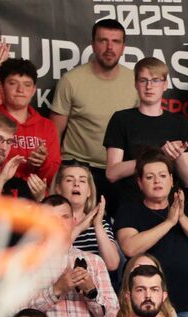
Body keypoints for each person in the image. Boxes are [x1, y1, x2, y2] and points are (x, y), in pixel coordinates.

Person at [115, 151, 188, 317]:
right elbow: (130, 247)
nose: (157, 181)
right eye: (149, 177)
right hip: (145, 306)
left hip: (186, 304)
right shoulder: (130, 210)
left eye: (162, 175)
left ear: (171, 179)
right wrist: (169, 222)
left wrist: (181, 218)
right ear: (140, 183)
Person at [29, 196, 118, 317]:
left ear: (74, 221)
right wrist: (56, 290)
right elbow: (16, 313)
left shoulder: (94, 261)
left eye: (64, 217)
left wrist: (91, 292)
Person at [49, 19, 136, 196]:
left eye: (116, 41)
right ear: (93, 45)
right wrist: (55, 175)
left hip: (120, 171)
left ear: (123, 47)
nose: (110, 47)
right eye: (103, 41)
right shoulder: (71, 80)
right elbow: (54, 133)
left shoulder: (135, 81)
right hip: (78, 169)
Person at [103, 58, 188, 200]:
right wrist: (159, 155)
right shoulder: (121, 119)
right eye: (143, 80)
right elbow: (112, 174)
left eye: (155, 80)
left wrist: (177, 157)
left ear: (165, 85)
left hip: (169, 202)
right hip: (131, 200)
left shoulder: (180, 123)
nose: (149, 86)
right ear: (136, 84)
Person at [0, 59, 61, 186]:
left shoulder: (47, 126)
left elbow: (54, 178)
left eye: (27, 85)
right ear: (1, 87)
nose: (20, 90)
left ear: (33, 90)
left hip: (35, 196)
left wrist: (43, 163)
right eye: (13, 83)